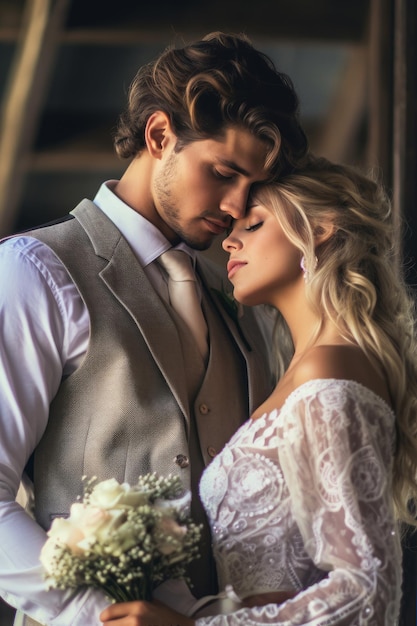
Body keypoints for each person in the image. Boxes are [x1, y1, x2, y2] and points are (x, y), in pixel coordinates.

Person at [0, 31, 308, 626]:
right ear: (160, 135)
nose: (237, 207)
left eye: (254, 189)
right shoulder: (35, 271)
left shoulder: (233, 296)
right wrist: (95, 616)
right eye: (222, 173)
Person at [99, 155, 417, 625]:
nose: (229, 239)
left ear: (322, 227)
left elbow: (367, 586)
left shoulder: (329, 370)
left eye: (253, 224)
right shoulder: (293, 369)